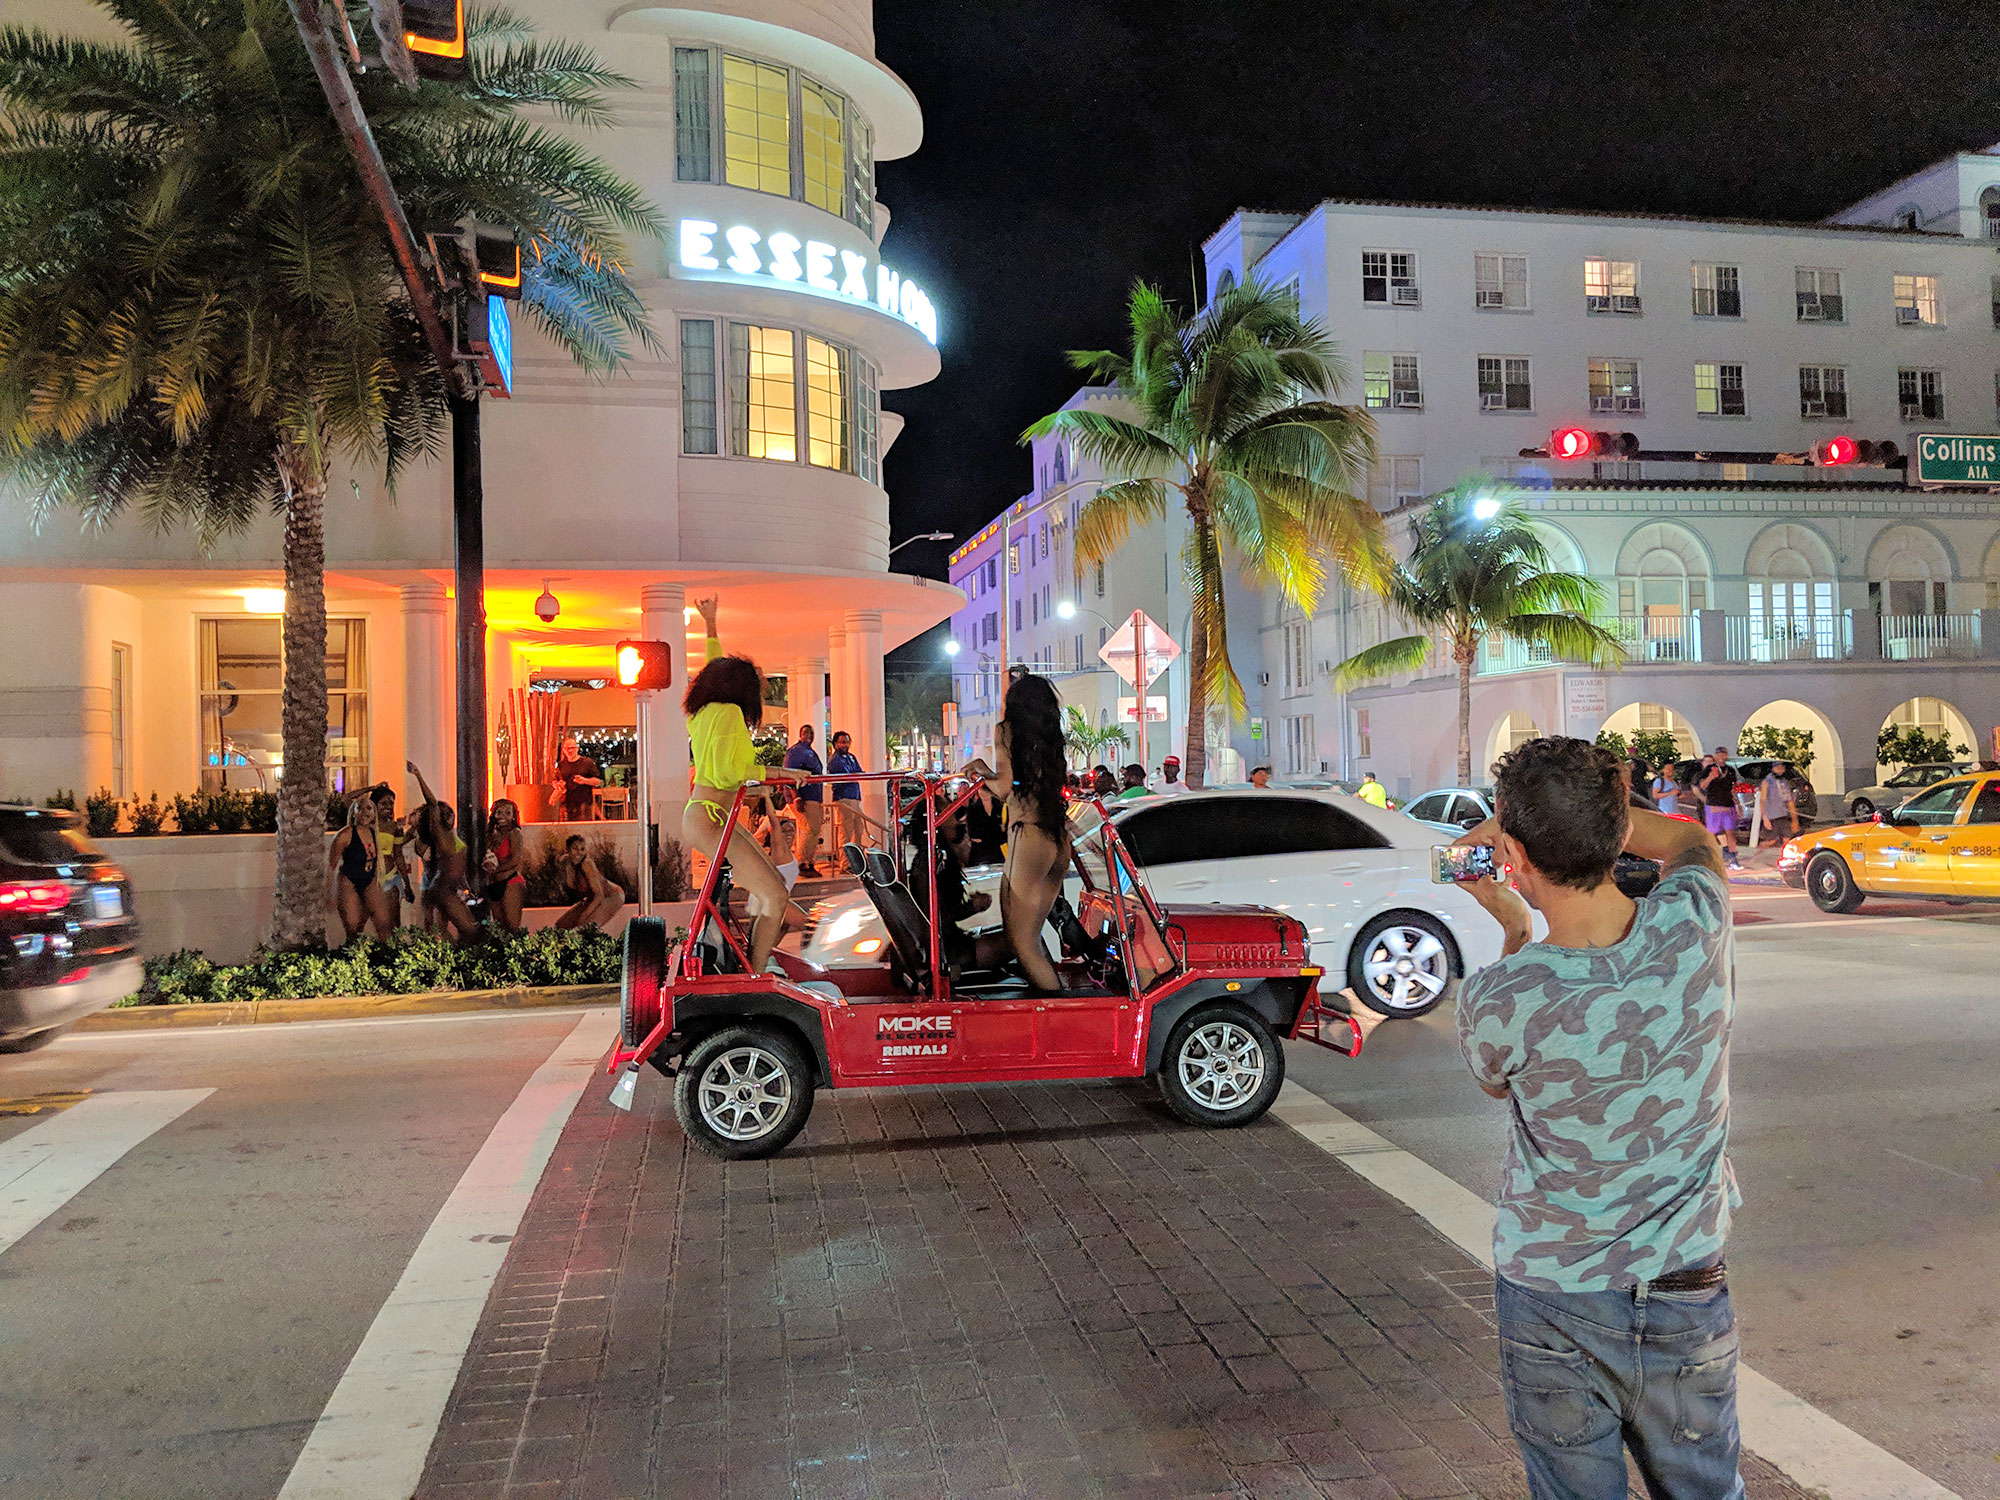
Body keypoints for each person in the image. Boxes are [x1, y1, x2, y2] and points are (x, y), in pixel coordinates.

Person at [1451, 736, 1744, 1500]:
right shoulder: (1695, 922)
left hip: (1552, 1293)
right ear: (1619, 833)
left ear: (1511, 852)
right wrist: (1604, 815)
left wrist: (1513, 924)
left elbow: (1495, 1088)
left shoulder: (1501, 996)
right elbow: (1688, 840)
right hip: (1686, 1289)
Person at [682, 596, 809, 973]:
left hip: (707, 814)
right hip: (709, 816)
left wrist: (710, 625)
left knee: (775, 889)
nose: (761, 687)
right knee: (773, 893)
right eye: (757, 682)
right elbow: (729, 771)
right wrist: (780, 773)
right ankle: (755, 974)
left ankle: (755, 965)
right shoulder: (729, 713)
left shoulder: (706, 711)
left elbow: (712, 664)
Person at [961, 673, 1071, 992]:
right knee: (1033, 939)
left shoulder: (1006, 731)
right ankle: (1056, 1002)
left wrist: (979, 776)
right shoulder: (1051, 737)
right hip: (1056, 837)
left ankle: (1059, 1014)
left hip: (1029, 837)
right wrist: (987, 771)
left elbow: (1006, 788)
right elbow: (1021, 780)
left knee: (1021, 943)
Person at [408, 762, 476, 940]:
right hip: (442, 889)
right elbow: (432, 803)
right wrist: (418, 775)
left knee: (450, 931)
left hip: (451, 888)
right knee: (467, 930)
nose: (450, 817)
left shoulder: (451, 835)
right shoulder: (440, 835)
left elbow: (459, 870)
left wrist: (466, 891)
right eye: (445, 814)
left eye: (451, 813)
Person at [553, 834, 625, 929]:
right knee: (561, 925)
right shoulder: (566, 862)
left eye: (582, 849)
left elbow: (599, 895)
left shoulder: (586, 864)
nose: (579, 852)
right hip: (592, 897)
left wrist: (584, 915)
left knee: (584, 926)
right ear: (568, 849)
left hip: (611, 896)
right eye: (575, 848)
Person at [784, 723, 826, 876]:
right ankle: (801, 863)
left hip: (814, 796)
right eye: (806, 732)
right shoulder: (796, 752)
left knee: (814, 830)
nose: (809, 735)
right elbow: (789, 774)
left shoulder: (810, 752)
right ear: (800, 734)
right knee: (810, 829)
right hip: (804, 797)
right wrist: (797, 797)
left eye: (811, 732)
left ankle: (809, 862)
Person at [482, 797, 527, 930]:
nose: (503, 816)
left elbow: (514, 861)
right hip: (494, 883)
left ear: (513, 816)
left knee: (512, 927)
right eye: (499, 812)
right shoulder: (491, 834)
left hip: (510, 881)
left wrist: (495, 870)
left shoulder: (514, 834)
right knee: (499, 927)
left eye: (508, 813)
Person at [369, 784, 408, 929]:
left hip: (391, 877)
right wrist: (371, 788)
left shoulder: (395, 828)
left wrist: (407, 885)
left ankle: (395, 950)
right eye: (383, 803)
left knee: (394, 921)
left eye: (391, 803)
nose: (388, 806)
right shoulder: (367, 826)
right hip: (371, 878)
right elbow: (347, 800)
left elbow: (399, 855)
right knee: (377, 923)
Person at [1700, 748, 1741, 869]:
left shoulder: (1731, 770)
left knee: (1729, 832)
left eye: (1724, 754)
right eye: (1719, 754)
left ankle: (1732, 857)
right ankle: (1714, 855)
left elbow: (1732, 789)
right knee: (1713, 832)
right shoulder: (1709, 769)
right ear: (1715, 756)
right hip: (1713, 805)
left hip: (1727, 805)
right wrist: (1711, 776)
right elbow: (1702, 786)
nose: (1722, 756)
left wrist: (1737, 804)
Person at [828, 729, 867, 850]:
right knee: (846, 832)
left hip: (855, 797)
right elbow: (847, 776)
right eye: (842, 742)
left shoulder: (851, 757)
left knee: (858, 829)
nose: (845, 745)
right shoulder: (835, 760)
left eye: (847, 742)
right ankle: (845, 863)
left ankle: (857, 860)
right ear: (835, 744)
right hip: (843, 798)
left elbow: (859, 772)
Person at [553, 735, 602, 822]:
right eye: (567, 748)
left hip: (584, 804)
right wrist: (557, 785)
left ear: (577, 749)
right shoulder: (561, 765)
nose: (570, 750)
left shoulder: (587, 763)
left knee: (583, 832)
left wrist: (584, 781)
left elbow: (598, 781)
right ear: (563, 750)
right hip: (566, 805)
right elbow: (555, 781)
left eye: (572, 748)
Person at [962, 778, 1006, 866]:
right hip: (980, 855)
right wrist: (996, 831)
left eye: (986, 789)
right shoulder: (973, 809)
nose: (983, 792)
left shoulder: (1000, 808)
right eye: (981, 789)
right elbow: (973, 834)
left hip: (998, 854)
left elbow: (1004, 835)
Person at [1760, 761, 1799, 839]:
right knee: (1771, 842)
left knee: (1787, 839)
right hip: (1772, 818)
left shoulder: (1783, 782)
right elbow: (1762, 800)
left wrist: (1795, 820)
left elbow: (1789, 801)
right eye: (1778, 768)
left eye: (1782, 768)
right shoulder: (1767, 781)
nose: (1780, 770)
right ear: (1773, 769)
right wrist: (1765, 817)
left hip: (1784, 816)